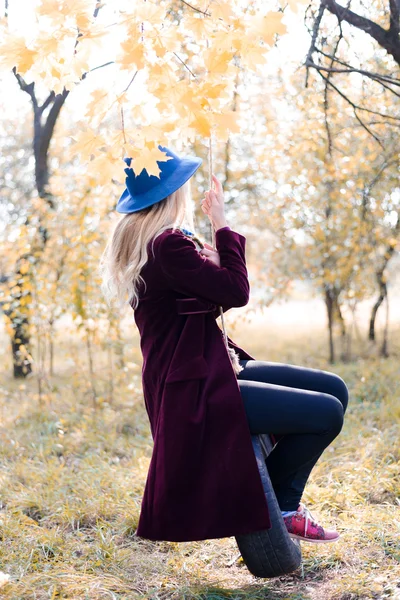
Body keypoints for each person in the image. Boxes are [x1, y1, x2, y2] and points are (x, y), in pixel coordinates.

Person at [100, 144, 349, 545]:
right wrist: (222, 224)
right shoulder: (167, 245)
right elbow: (236, 291)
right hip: (197, 386)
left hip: (208, 363)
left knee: (335, 387)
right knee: (328, 413)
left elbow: (202, 300)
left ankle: (268, 478)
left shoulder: (159, 243)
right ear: (172, 193)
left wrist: (212, 263)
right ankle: (284, 506)